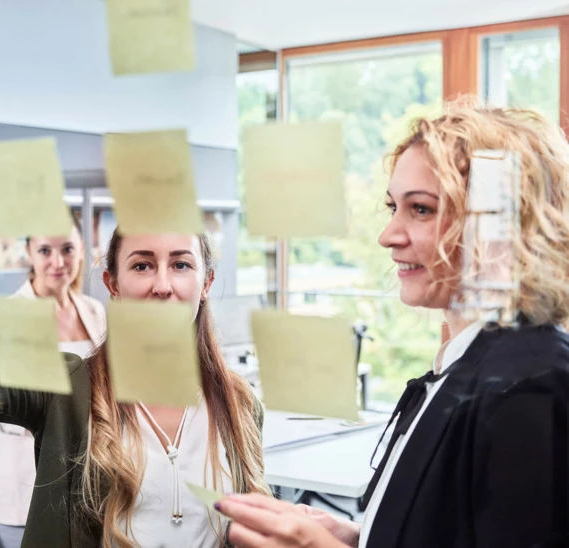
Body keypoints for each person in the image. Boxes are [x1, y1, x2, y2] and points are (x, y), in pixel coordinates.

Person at [216, 100, 569, 547]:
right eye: (394, 208)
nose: (388, 235)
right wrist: (358, 536)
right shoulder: (470, 364)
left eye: (420, 209)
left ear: (504, 224)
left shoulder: (534, 383)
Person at [0, 230, 270, 548]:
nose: (162, 285)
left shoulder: (239, 403)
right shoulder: (67, 388)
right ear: (114, 285)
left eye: (181, 264)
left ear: (207, 283)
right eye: (142, 265)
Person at [0, 222, 106, 548]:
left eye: (68, 249)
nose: (58, 262)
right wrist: (45, 419)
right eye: (45, 250)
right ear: (29, 252)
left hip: (89, 488)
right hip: (25, 491)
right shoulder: (4, 317)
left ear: (81, 251)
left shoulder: (95, 311)